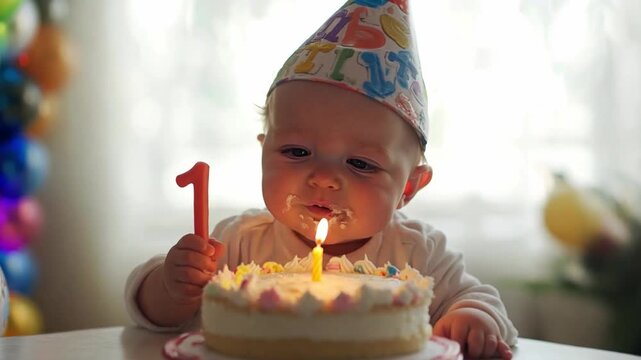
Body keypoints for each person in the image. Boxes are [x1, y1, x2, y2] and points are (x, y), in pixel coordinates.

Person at [125, 1, 518, 359]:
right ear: (263, 151)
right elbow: (153, 316)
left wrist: (472, 318)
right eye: (297, 152)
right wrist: (171, 288)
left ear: (409, 188)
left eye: (361, 164)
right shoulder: (240, 241)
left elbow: (479, 298)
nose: (325, 179)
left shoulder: (419, 252)